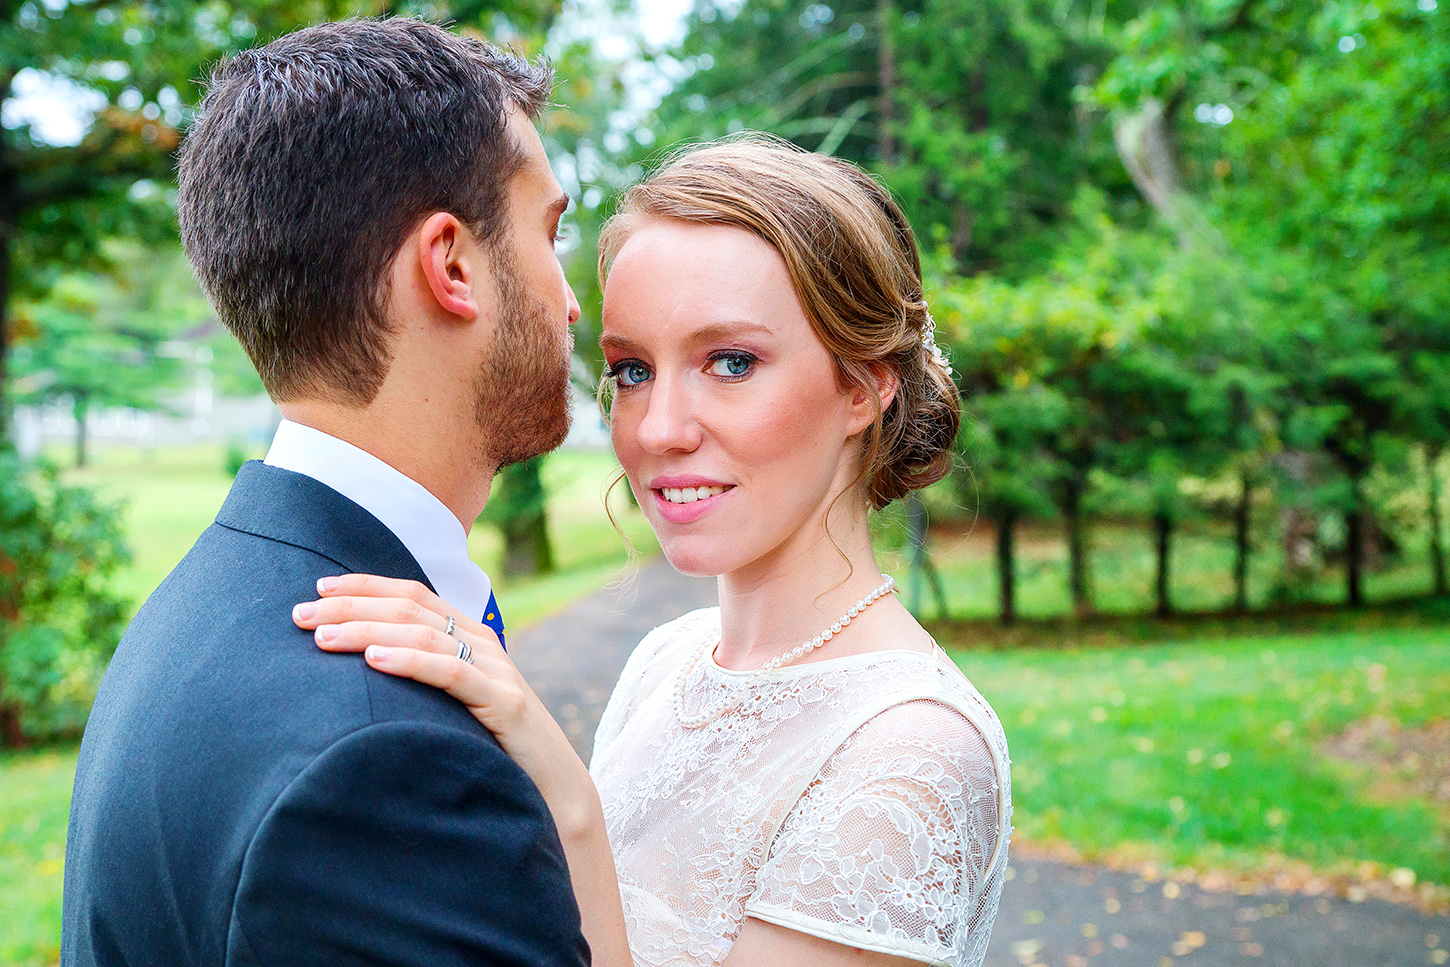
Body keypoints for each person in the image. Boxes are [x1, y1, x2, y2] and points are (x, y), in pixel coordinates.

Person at [293, 138, 1013, 967]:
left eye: (731, 362)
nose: (660, 428)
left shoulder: (911, 749)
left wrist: (567, 801)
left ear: (862, 386)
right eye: (632, 370)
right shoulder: (663, 662)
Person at [62, 19, 591, 967]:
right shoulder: (385, 768)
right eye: (549, 233)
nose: (570, 299)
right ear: (452, 264)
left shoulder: (201, 606)